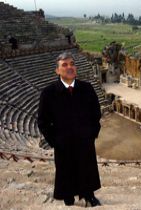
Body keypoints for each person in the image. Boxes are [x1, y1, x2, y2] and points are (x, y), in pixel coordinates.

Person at [37, 52, 102, 207]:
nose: (69, 67)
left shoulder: (87, 88)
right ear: (57, 70)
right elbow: (43, 121)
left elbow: (96, 113)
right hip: (63, 143)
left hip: (85, 141)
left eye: (72, 64)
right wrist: (55, 141)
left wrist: (92, 133)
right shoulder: (48, 93)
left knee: (87, 169)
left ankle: (89, 196)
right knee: (66, 171)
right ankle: (68, 198)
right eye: (64, 65)